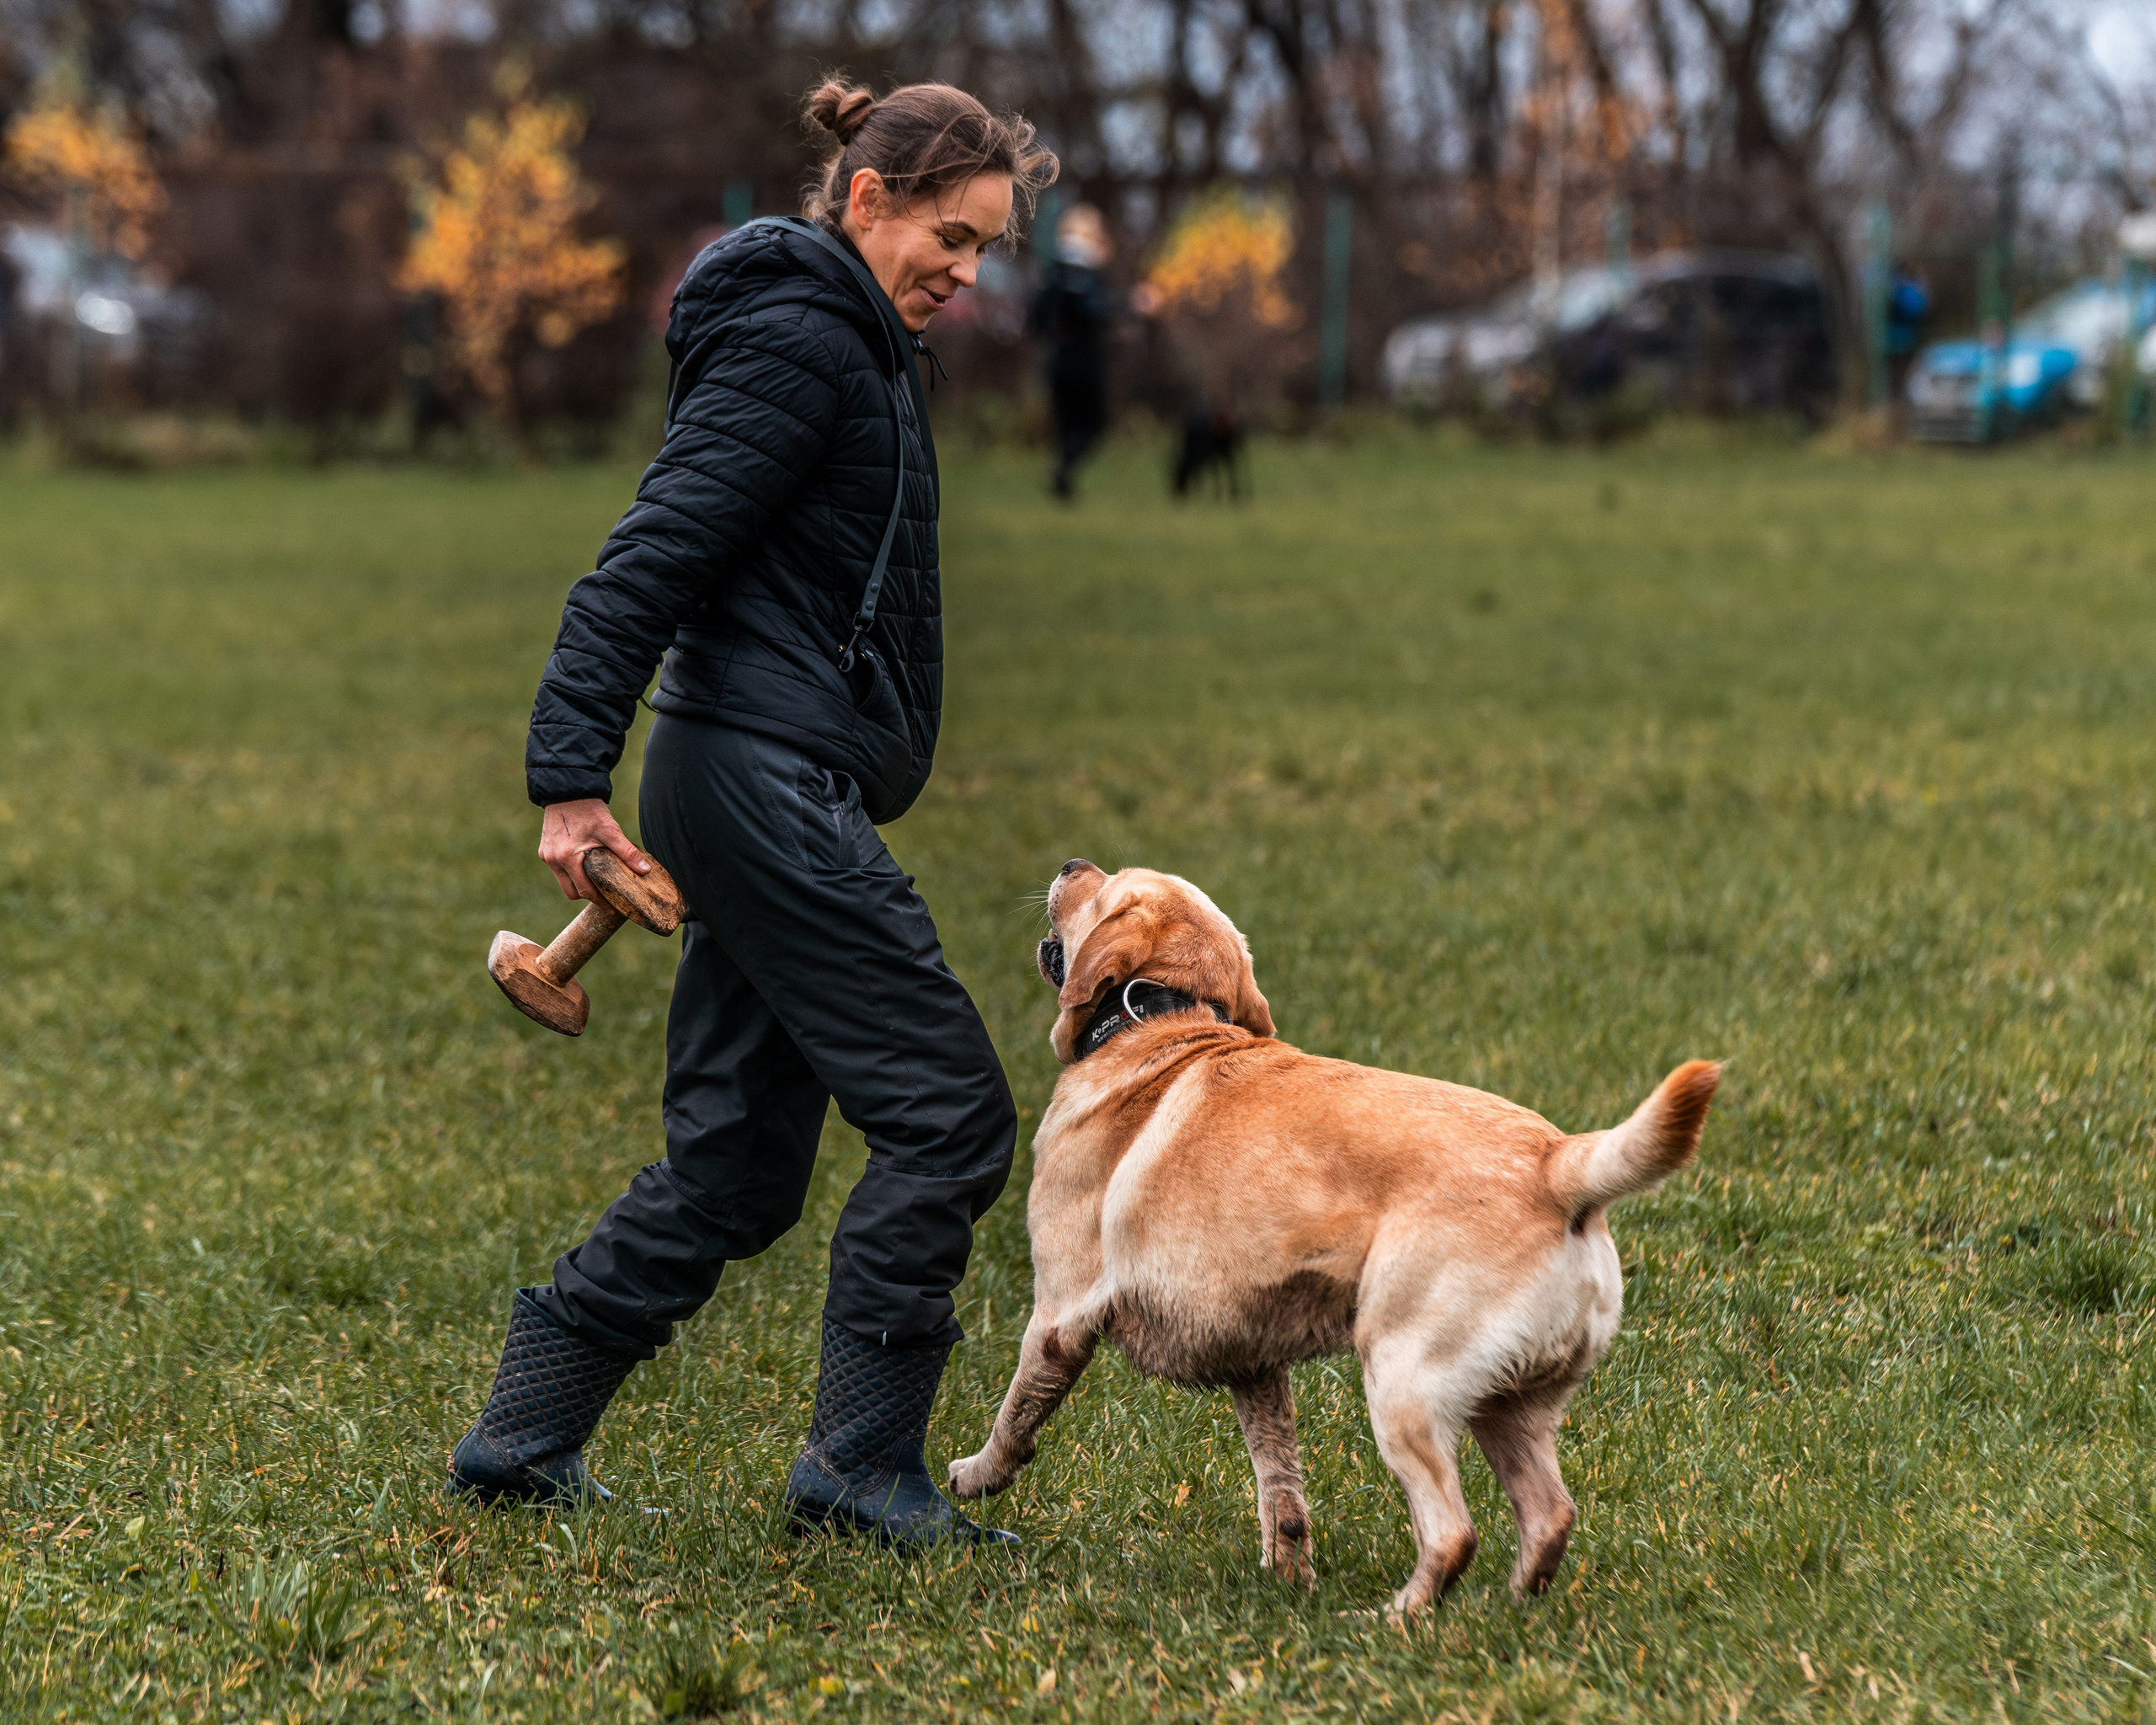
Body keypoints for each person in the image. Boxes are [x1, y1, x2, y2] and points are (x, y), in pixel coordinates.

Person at [446, 77, 1057, 1546]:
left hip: (757, 775)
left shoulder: (852, 339)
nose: (968, 271)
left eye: (986, 247)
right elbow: (646, 559)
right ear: (868, 198)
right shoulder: (797, 339)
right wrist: (567, 782)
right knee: (949, 1113)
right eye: (953, 235)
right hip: (758, 783)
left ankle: (522, 1436)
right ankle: (858, 1468)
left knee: (737, 1161)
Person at [1029, 203, 1154, 499]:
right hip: (1083, 359)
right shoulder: (1084, 269)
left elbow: (1036, 317)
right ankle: (1063, 471)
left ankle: (1062, 481)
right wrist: (1130, 305)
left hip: (1057, 357)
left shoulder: (1054, 269)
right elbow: (1094, 311)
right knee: (1095, 423)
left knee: (1065, 423)